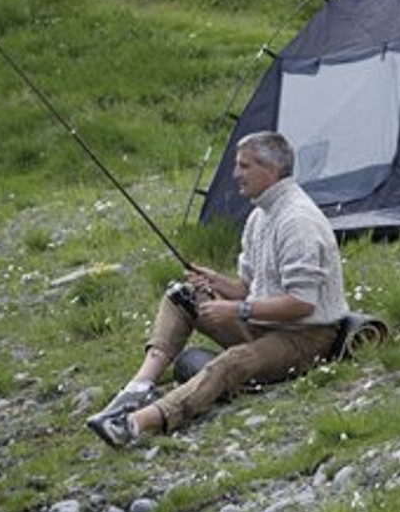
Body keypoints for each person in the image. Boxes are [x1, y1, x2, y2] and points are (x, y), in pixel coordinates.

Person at [88, 131, 349, 448]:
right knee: (181, 296)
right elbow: (249, 288)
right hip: (263, 325)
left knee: (230, 362)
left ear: (273, 169)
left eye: (244, 166)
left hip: (306, 337)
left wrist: (237, 309)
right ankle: (137, 388)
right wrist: (217, 283)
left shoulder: (297, 221)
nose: (236, 174)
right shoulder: (259, 217)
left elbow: (302, 304)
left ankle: (136, 424)